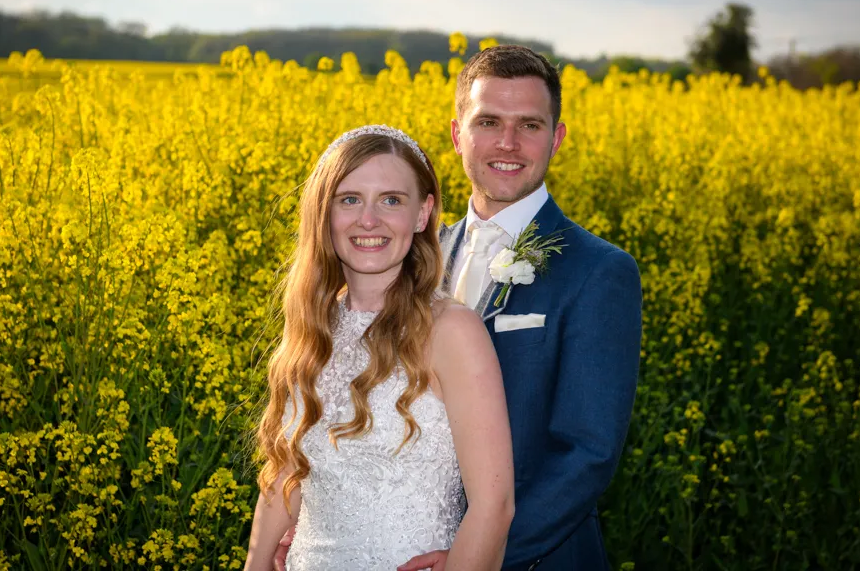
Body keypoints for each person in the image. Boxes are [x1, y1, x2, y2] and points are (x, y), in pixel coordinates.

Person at [397, 45, 643, 571]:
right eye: (488, 121)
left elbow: (587, 453)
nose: (507, 143)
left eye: (529, 125)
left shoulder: (600, 271)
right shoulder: (413, 258)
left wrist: (477, 557)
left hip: (533, 558)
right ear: (457, 133)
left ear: (556, 138)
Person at [244, 125, 516, 571]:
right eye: (349, 199)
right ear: (323, 213)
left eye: (391, 200)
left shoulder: (451, 331)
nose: (368, 220)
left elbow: (494, 505)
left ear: (423, 213)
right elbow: (284, 475)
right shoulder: (313, 326)